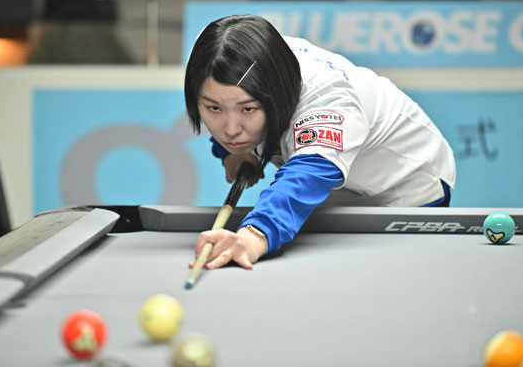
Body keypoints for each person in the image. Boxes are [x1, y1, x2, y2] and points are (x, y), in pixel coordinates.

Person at [184, 15, 456, 270]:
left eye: (248, 109)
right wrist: (234, 152)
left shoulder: (329, 99)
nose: (231, 129)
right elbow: (225, 101)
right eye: (215, 109)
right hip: (341, 188)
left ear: (277, 94)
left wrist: (255, 234)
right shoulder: (213, 53)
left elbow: (308, 174)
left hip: (406, 185)